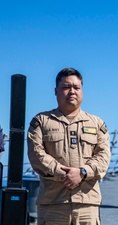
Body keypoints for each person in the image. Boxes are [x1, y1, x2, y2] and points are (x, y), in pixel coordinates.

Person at [27, 68, 111, 225]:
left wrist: (83, 173)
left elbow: (103, 157)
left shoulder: (97, 123)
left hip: (87, 205)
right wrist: (64, 174)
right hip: (53, 204)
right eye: (66, 87)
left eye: (77, 87)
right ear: (56, 91)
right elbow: (36, 154)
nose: (72, 91)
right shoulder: (41, 121)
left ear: (82, 91)